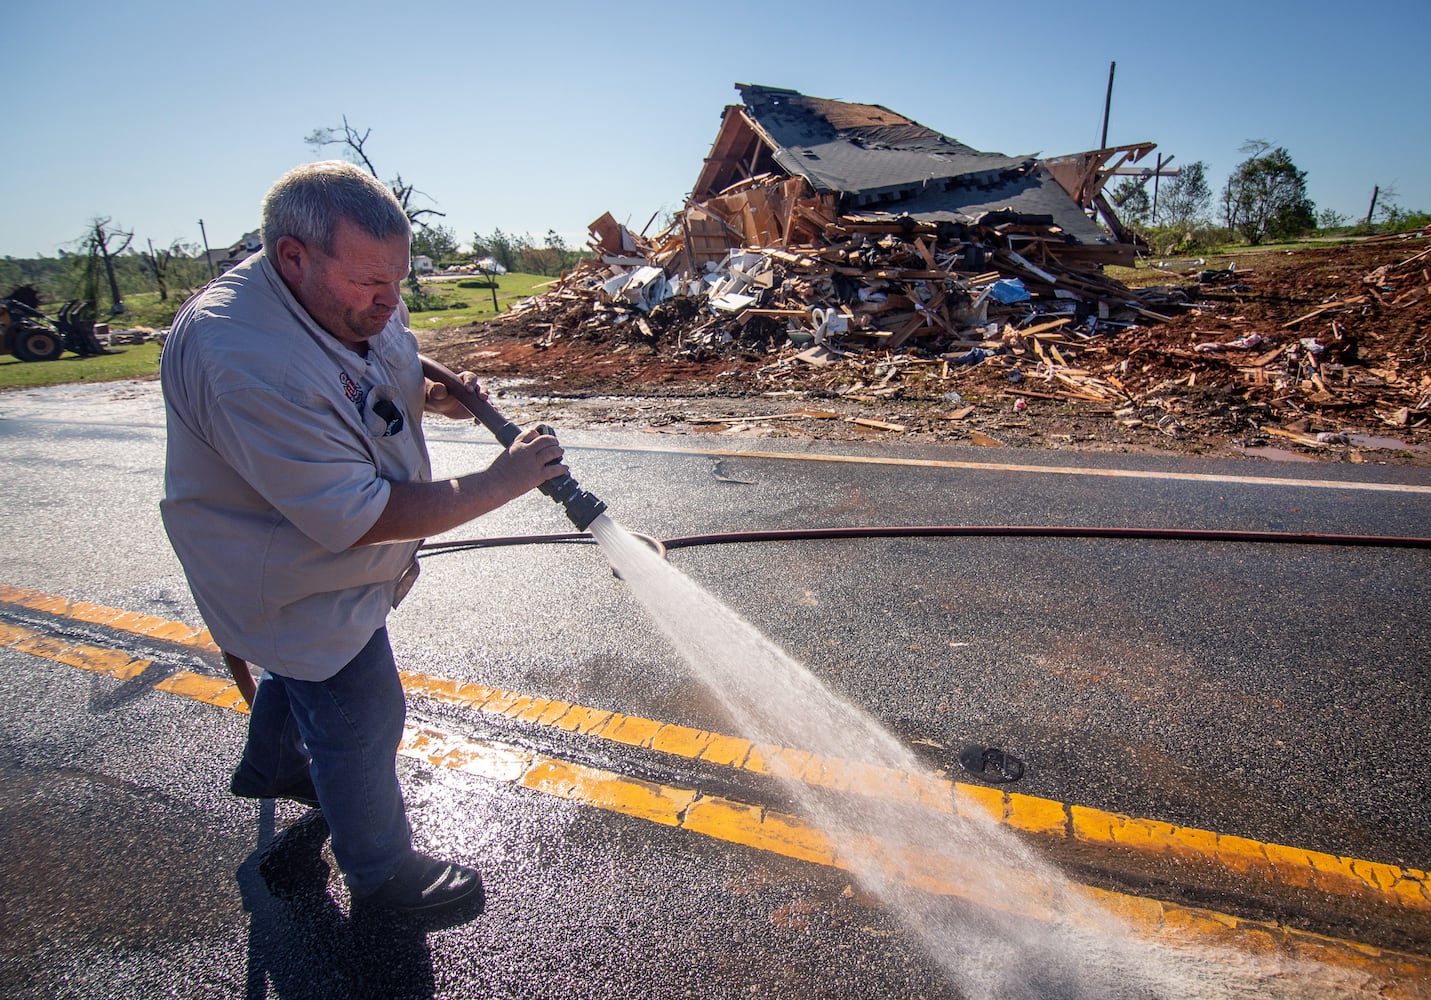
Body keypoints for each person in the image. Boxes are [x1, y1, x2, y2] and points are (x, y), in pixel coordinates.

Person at [160, 160, 566, 918]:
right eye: (369, 284)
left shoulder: (337, 296)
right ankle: (382, 878)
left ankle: (272, 766)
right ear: (293, 256)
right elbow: (353, 514)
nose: (388, 301)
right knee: (359, 708)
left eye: (397, 282)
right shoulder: (244, 357)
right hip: (283, 566)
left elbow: (363, 373)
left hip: (322, 564)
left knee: (302, 669)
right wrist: (501, 481)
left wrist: (427, 396)